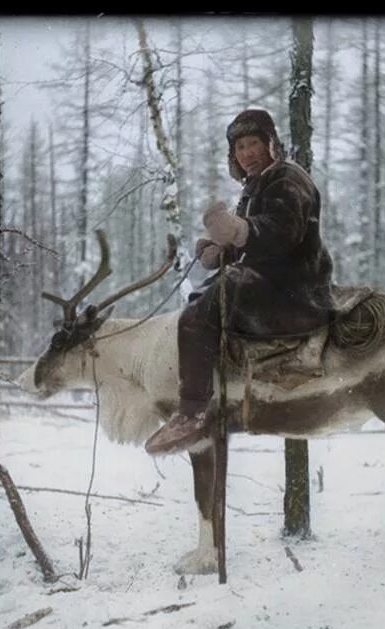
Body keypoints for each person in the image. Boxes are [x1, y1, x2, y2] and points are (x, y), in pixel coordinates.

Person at [144, 108, 335, 455]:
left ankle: (191, 412)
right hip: (272, 282)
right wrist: (221, 248)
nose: (246, 153)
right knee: (206, 293)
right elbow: (254, 246)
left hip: (295, 289)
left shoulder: (288, 179)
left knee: (197, 313)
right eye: (239, 147)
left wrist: (238, 230)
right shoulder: (257, 185)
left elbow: (282, 235)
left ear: (271, 144)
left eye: (253, 143)